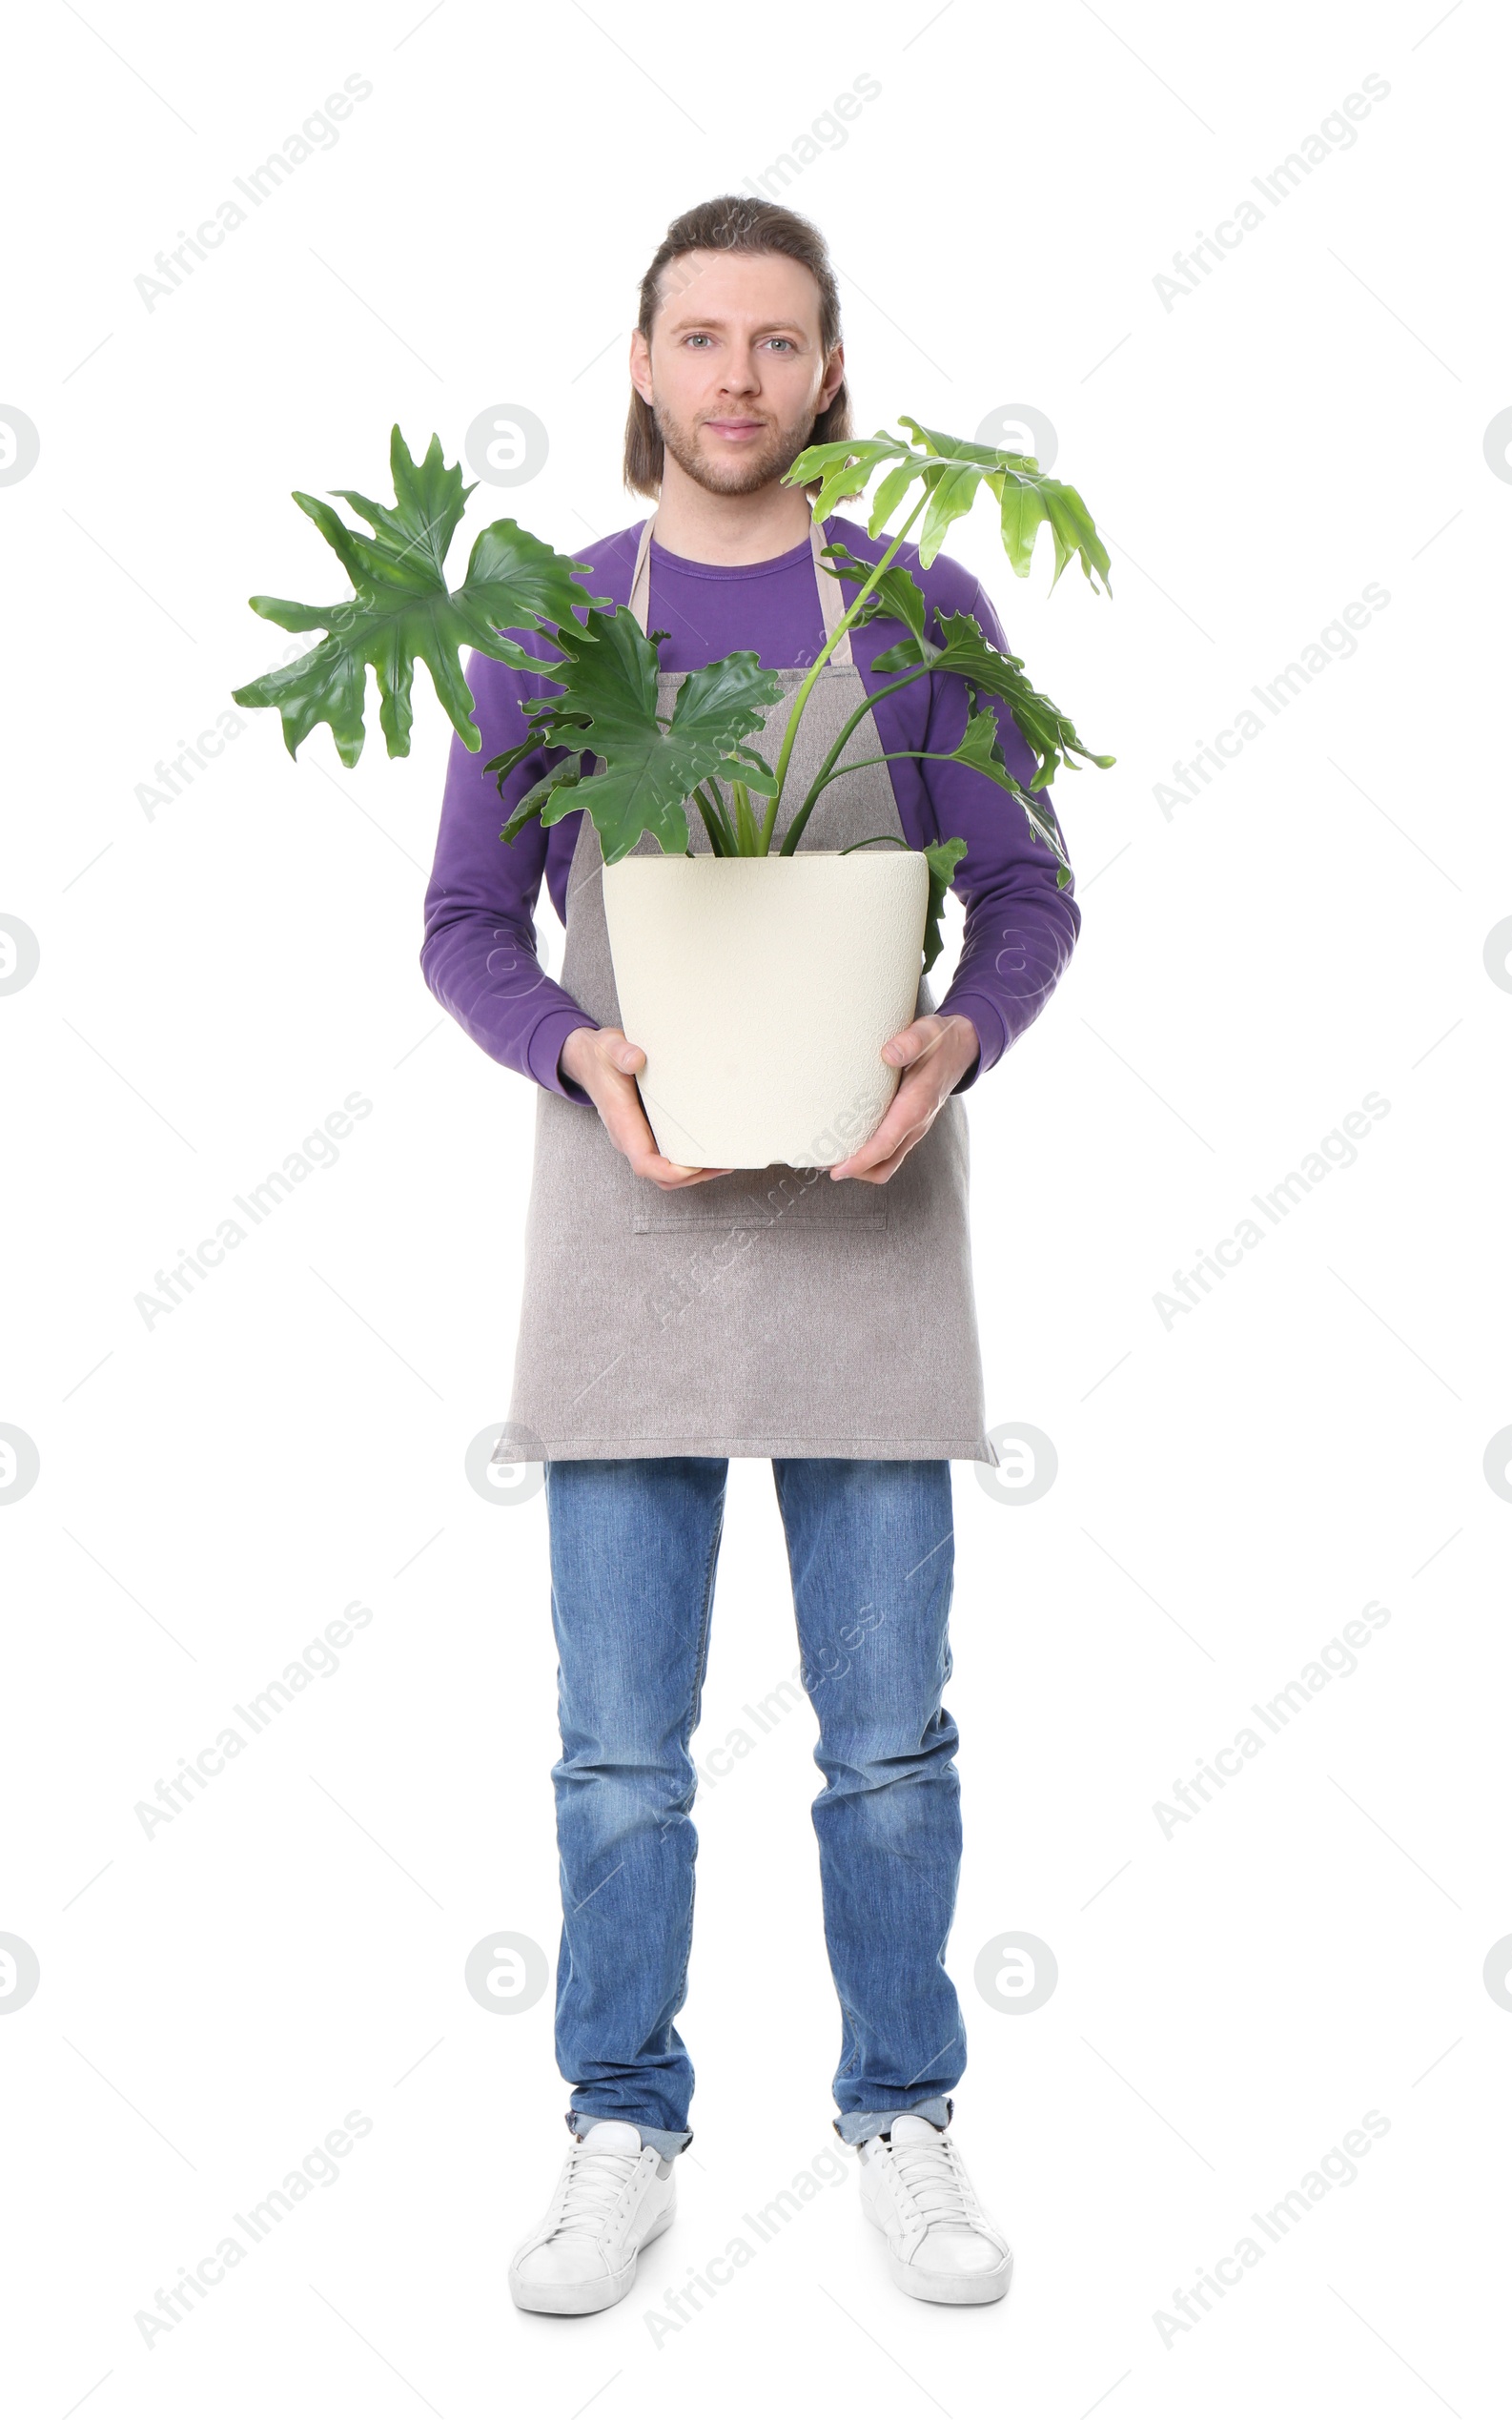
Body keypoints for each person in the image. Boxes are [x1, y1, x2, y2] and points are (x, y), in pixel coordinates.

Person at [420, 194, 1080, 2315]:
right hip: (625, 1219)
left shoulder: (913, 604)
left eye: (772, 343)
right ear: (638, 364)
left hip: (867, 1221)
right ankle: (621, 2121)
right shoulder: (552, 619)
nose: (732, 379)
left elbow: (1025, 894)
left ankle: (901, 2109)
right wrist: (572, 1047)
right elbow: (458, 926)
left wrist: (958, 1038)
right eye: (695, 340)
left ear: (825, 371)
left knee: (885, 1737)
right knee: (618, 1741)